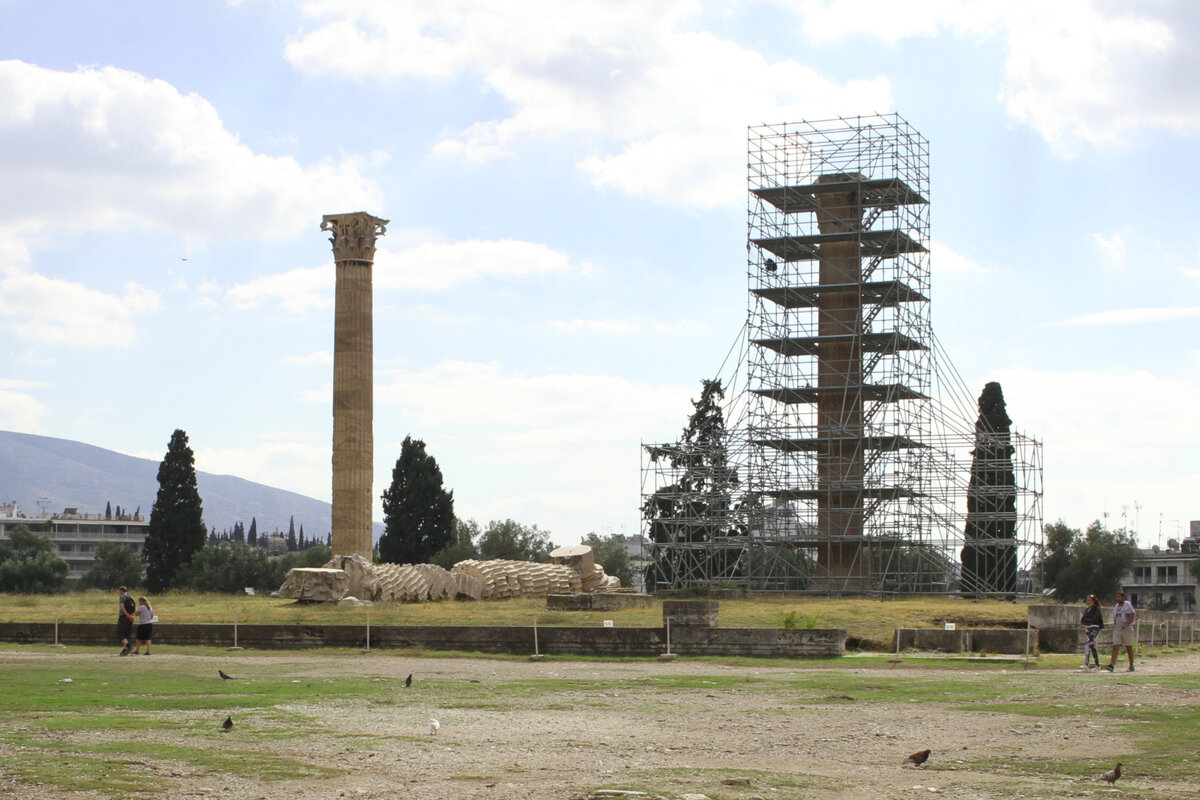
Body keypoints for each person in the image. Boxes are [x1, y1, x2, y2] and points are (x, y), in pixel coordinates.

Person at [1104, 592, 1136, 672]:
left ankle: (1131, 665)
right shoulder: (1116, 607)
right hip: (1118, 629)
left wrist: (1126, 624)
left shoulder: (1127, 605)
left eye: (1119, 597)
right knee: (1115, 646)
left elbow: (1132, 616)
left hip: (1127, 629)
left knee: (1128, 647)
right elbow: (1115, 618)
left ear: (1123, 597)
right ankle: (1111, 664)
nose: (1118, 599)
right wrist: (1114, 627)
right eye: (1117, 597)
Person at [1079, 594, 1104, 670]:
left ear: (1093, 601)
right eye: (1087, 600)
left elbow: (1095, 619)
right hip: (1088, 628)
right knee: (1090, 645)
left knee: (1089, 643)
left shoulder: (1096, 609)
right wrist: (1087, 622)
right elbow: (1082, 620)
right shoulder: (1087, 610)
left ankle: (1091, 663)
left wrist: (1088, 621)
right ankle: (1092, 664)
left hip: (1094, 628)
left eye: (1090, 600)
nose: (1088, 602)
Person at [116, 586, 136, 656]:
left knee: (120, 633)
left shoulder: (122, 597)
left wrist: (127, 615)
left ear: (121, 591)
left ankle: (128, 646)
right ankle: (125, 650)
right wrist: (131, 616)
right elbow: (134, 608)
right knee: (127, 635)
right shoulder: (131, 597)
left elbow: (122, 607)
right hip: (130, 618)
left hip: (123, 617)